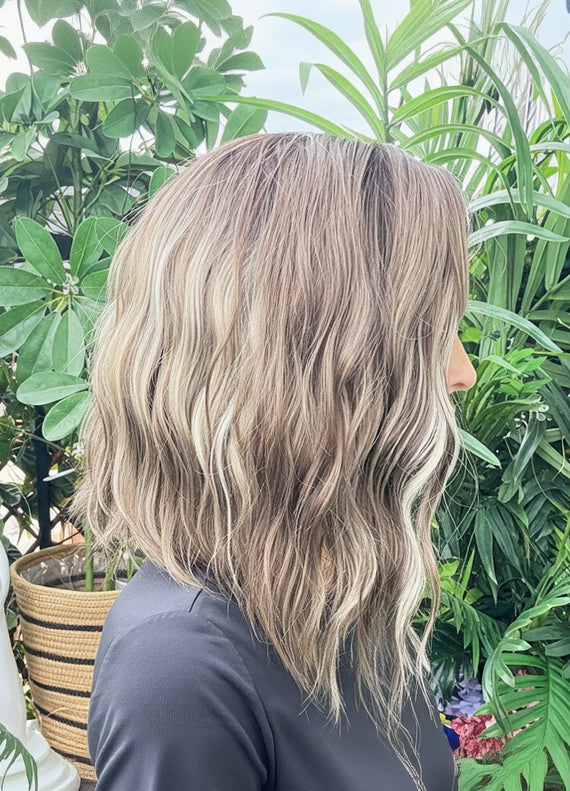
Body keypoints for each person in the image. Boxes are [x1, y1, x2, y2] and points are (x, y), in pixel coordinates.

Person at [73, 132, 476, 791]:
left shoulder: (340, 581)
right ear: (305, 371)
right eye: (428, 335)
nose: (463, 371)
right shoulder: (180, 670)